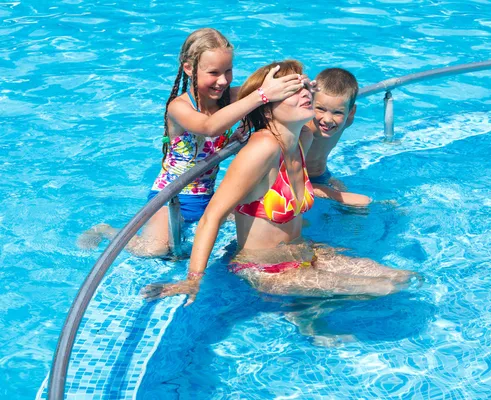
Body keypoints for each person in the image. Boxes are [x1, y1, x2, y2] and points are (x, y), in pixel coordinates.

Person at [143, 60, 419, 306]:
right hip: (266, 270)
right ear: (267, 107)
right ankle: (302, 312)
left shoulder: (302, 140)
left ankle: (304, 313)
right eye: (292, 92)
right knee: (385, 287)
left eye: (305, 89)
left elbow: (332, 112)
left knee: (406, 278)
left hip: (304, 253)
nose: (305, 95)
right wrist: (193, 280)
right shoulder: (262, 148)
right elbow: (211, 217)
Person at [77, 28, 305, 256]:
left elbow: (274, 97)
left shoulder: (229, 98)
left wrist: (299, 85)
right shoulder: (179, 107)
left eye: (228, 71)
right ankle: (107, 230)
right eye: (213, 73)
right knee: (154, 250)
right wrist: (260, 96)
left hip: (206, 195)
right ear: (189, 68)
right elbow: (209, 127)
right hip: (170, 197)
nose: (223, 80)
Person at [301, 68, 372, 207]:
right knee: (360, 203)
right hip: (298, 182)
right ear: (309, 104)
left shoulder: (346, 122)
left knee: (351, 204)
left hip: (322, 175)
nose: (327, 119)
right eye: (320, 109)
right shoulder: (303, 130)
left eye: (338, 112)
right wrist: (332, 194)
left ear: (351, 112)